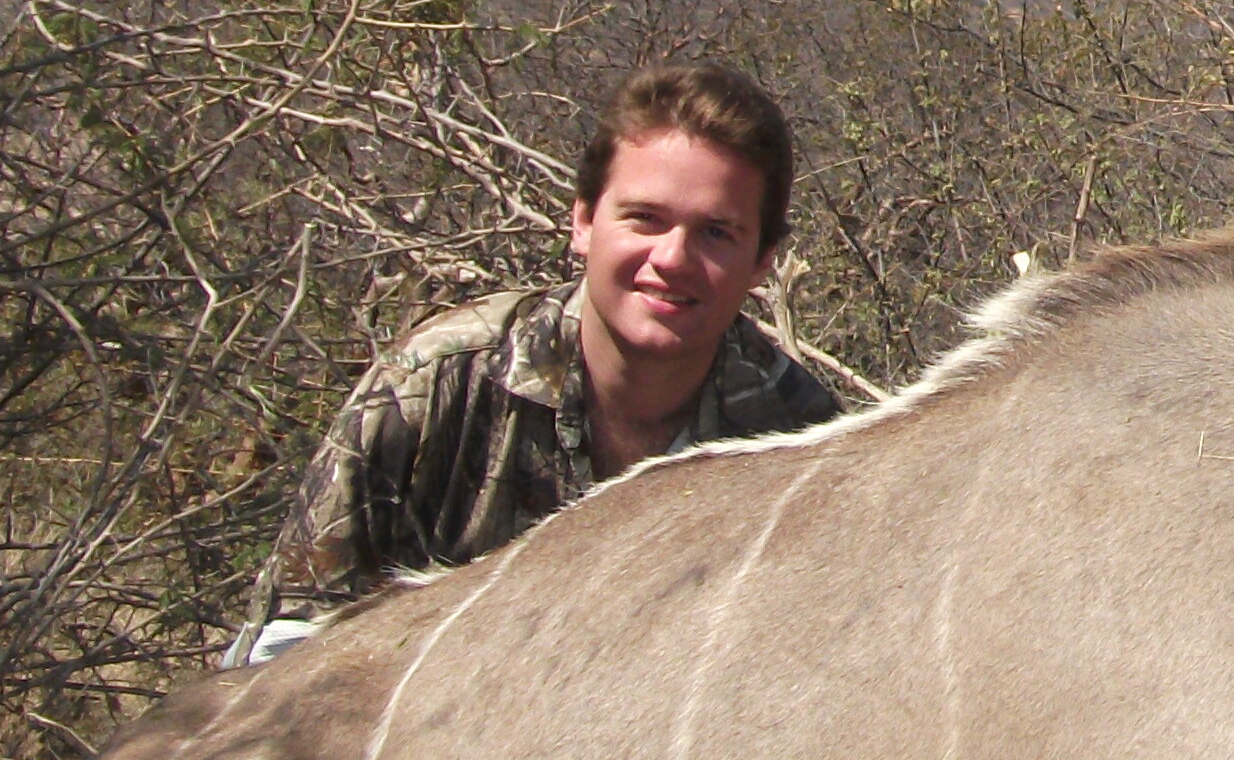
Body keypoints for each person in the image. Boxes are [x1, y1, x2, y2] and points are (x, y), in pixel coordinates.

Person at [238, 60, 841, 654]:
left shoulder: (799, 439)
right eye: (645, 219)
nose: (673, 258)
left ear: (762, 261)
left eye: (716, 233)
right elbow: (283, 660)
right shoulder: (438, 383)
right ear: (583, 221)